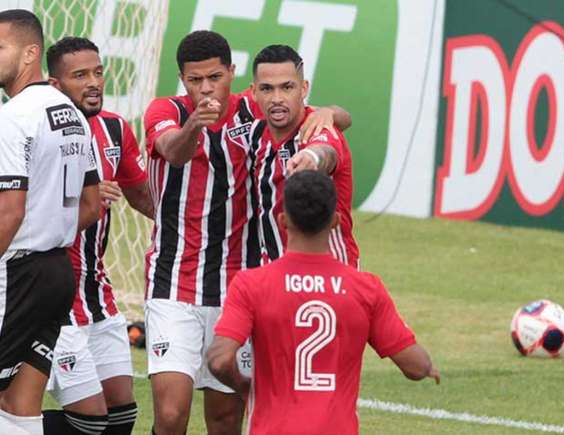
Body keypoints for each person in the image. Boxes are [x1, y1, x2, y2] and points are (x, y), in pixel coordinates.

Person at [142, 30, 351, 435]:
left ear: (233, 74)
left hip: (238, 286)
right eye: (194, 80)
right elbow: (171, 150)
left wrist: (330, 112)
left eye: (215, 78)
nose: (206, 89)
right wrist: (195, 127)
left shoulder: (251, 109)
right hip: (173, 283)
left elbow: (323, 121)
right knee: (170, 415)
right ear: (182, 79)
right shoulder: (164, 110)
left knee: (226, 418)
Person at [0, 10, 100, 435]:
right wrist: (52, 228)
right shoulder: (71, 115)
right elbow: (91, 204)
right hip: (56, 271)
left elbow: (10, 210)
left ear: (30, 53)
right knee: (20, 412)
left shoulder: (13, 118)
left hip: (16, 273)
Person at [207, 170, 440, 435]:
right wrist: (427, 366)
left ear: (283, 221)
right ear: (335, 221)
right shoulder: (366, 288)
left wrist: (245, 386)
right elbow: (415, 366)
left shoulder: (252, 284)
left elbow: (219, 361)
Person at [41, 36, 154, 435]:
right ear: (56, 85)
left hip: (97, 291)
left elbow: (141, 191)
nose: (93, 83)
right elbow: (22, 216)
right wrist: (84, 204)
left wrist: (180, 224)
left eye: (98, 72)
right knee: (89, 423)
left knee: (121, 415)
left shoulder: (115, 128)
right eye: (80, 75)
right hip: (52, 291)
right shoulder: (41, 133)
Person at [249, 44, 359, 267]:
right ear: (254, 92)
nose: (277, 98)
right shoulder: (254, 132)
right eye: (267, 89)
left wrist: (311, 158)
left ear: (304, 88)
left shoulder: (319, 128)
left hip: (330, 276)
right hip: (273, 272)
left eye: (287, 87)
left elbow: (326, 151)